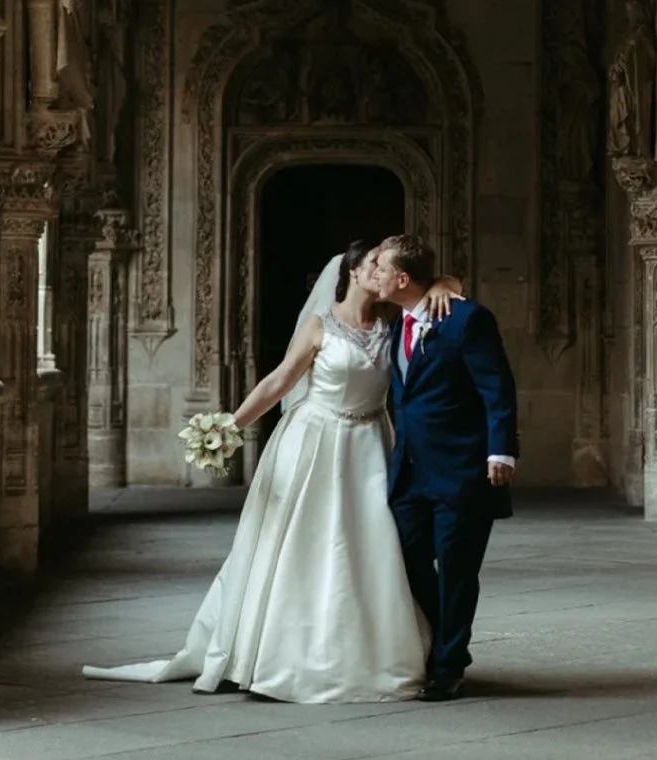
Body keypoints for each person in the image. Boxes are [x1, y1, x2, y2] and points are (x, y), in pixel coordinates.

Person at [82, 242, 463, 703]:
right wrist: (229, 426)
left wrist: (445, 283)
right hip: (316, 441)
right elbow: (279, 381)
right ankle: (272, 653)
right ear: (351, 272)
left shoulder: (392, 323)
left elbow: (437, 290)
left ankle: (370, 650)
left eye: (384, 266)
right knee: (305, 544)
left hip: (370, 446)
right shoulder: (319, 325)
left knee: (369, 547)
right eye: (373, 264)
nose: (380, 271)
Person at [370, 234, 520, 702]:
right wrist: (445, 281)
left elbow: (497, 388)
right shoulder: (396, 323)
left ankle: (449, 665)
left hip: (462, 470)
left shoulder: (466, 319)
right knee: (407, 557)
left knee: (457, 570)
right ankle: (443, 640)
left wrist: (501, 451)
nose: (374, 276)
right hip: (410, 470)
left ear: (401, 278)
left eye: (381, 269)